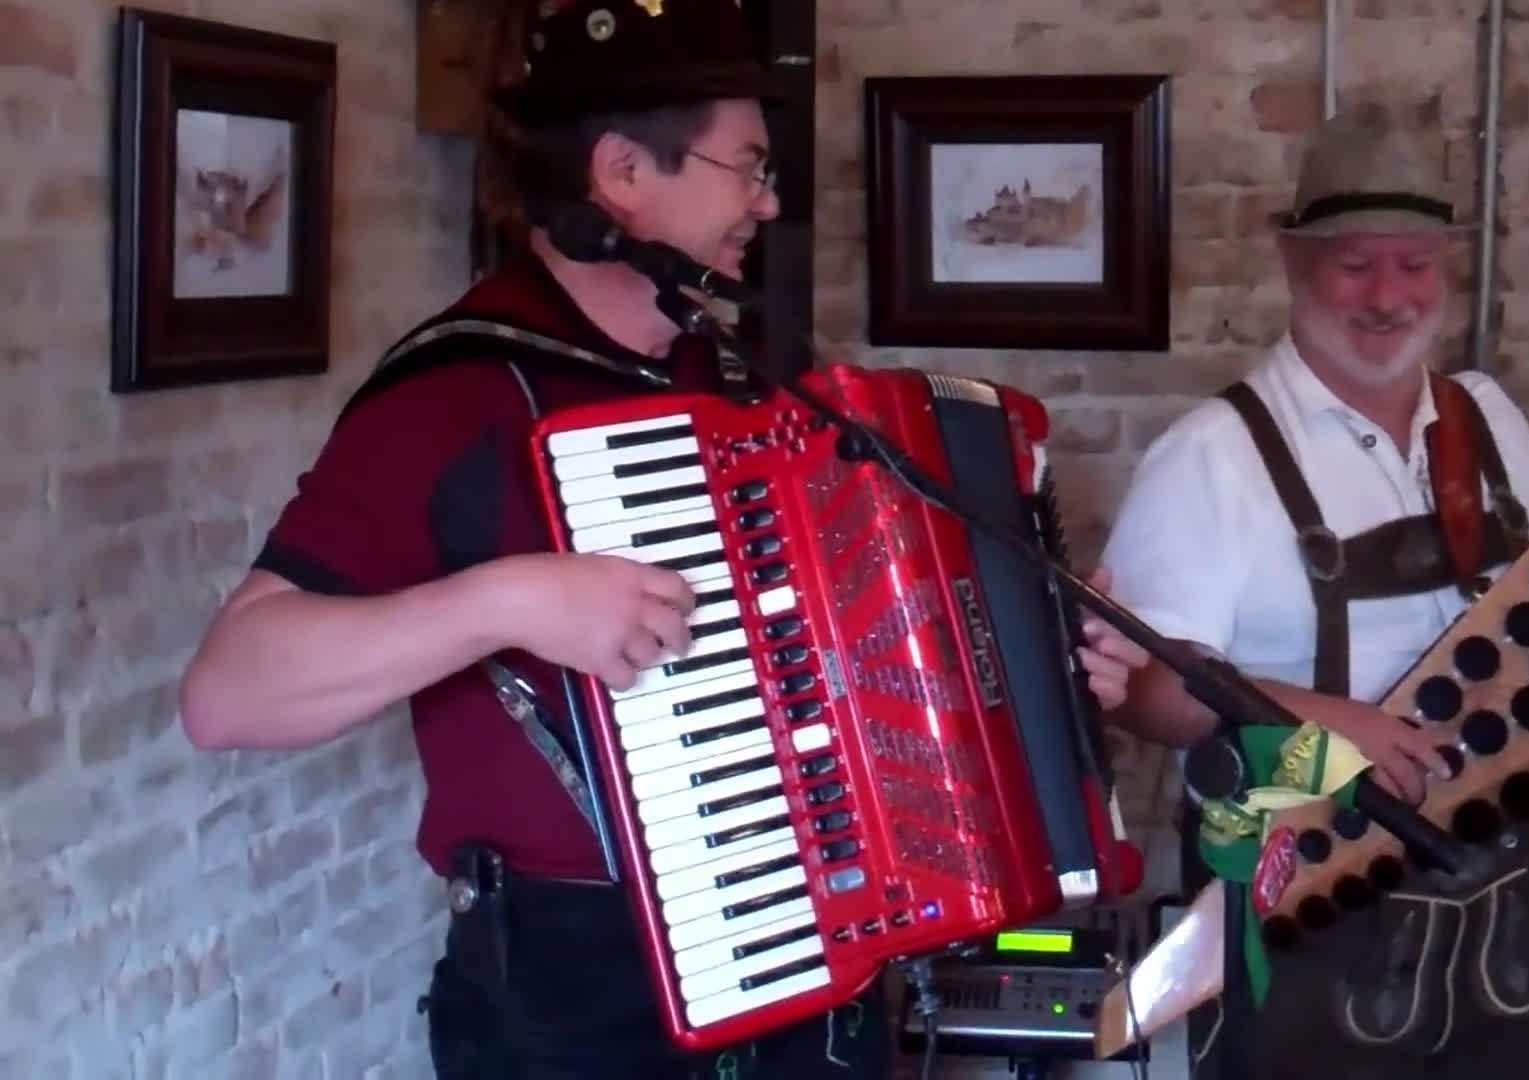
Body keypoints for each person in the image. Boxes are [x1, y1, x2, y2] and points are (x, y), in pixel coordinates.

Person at [175, 3, 1148, 1077]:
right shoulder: (453, 398)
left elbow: (846, 660)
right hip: (578, 993)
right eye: (749, 167)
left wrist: (1041, 667)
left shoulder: (735, 384)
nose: (767, 202)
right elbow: (228, 694)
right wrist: (504, 601)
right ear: (623, 172)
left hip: (819, 965)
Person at [1098, 107, 1529, 1078]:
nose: (1388, 296)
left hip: (1507, 903)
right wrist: (1322, 723)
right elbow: (1144, 691)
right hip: (1305, 917)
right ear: (1295, 264)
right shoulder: (1212, 457)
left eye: (1413, 264)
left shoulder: (1487, 419)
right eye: (1355, 264)